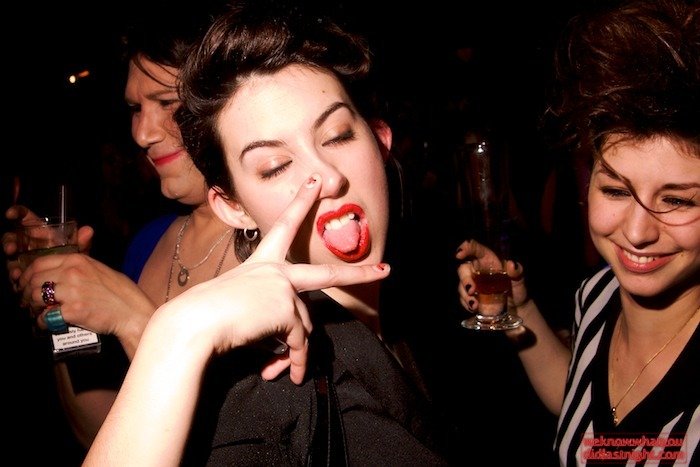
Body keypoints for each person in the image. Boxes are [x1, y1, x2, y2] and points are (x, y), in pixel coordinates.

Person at [82, 2, 462, 464]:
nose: (327, 178)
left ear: (379, 139)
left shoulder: (430, 311)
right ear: (234, 207)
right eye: (275, 165)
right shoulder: (272, 404)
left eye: (338, 135)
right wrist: (175, 335)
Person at [457, 0, 699, 465]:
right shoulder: (598, 292)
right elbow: (578, 404)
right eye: (616, 190)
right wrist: (517, 307)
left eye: (676, 200)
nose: (636, 232)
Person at [3, 0, 241, 450]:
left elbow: (250, 442)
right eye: (135, 108)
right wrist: (64, 309)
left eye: (166, 102)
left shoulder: (282, 246)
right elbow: (102, 433)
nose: (141, 133)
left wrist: (133, 320)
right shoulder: (147, 244)